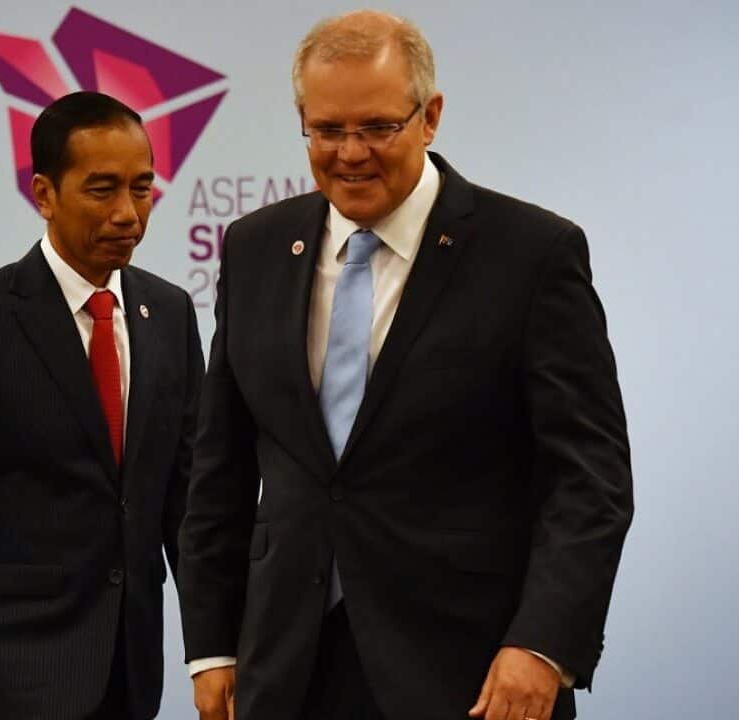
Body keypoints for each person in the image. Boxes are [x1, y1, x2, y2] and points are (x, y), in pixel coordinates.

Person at [177, 10, 633, 720]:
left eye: (377, 128)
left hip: (470, 673)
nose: (351, 153)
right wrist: (211, 647)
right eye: (327, 130)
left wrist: (543, 644)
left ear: (430, 117)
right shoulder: (254, 247)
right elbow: (221, 467)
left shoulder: (531, 254)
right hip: (282, 670)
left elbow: (590, 479)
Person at [0, 91, 204, 720]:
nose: (128, 214)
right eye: (101, 190)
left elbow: (187, 503)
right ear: (44, 194)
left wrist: (213, 650)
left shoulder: (168, 313)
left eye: (142, 189)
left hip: (131, 674)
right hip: (14, 673)